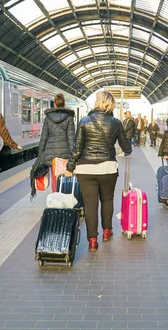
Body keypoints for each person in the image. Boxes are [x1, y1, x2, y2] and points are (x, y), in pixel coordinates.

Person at [65, 91, 132, 252]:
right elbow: (126, 148)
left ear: (97, 103)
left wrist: (69, 167)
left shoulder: (84, 121)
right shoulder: (116, 123)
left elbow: (77, 148)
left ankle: (92, 240)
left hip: (85, 169)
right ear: (111, 104)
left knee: (90, 205)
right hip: (108, 168)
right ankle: (107, 231)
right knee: (107, 200)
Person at [39, 94, 76, 186]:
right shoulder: (69, 118)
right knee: (65, 179)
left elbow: (43, 137)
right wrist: (74, 158)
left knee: (54, 179)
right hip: (65, 154)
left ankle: (55, 196)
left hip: (51, 155)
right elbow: (71, 139)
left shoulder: (48, 118)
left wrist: (40, 155)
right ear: (64, 104)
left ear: (54, 104)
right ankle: (63, 196)